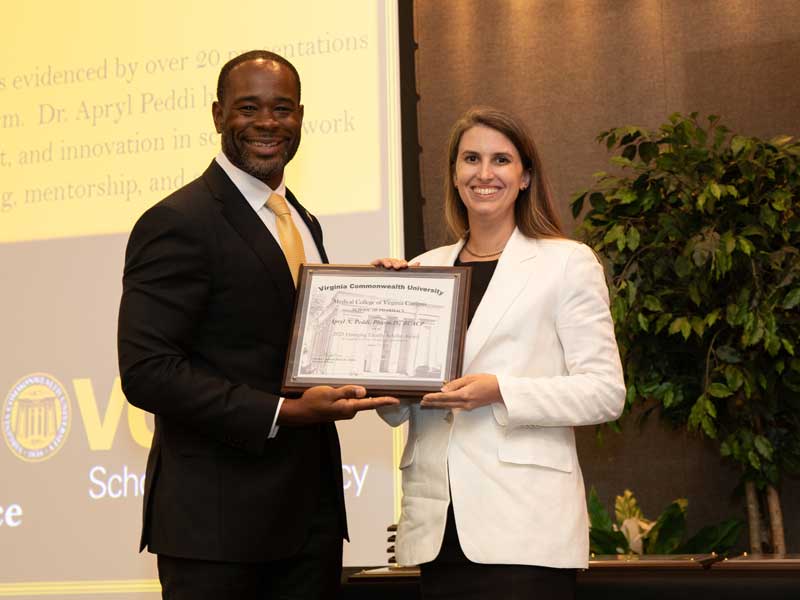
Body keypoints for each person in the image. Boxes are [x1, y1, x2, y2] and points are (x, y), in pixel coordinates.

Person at [117, 50, 398, 600]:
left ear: (300, 116)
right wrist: (284, 412)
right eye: (249, 108)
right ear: (218, 114)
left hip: (309, 523)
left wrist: (370, 298)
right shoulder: (178, 221)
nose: (268, 123)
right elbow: (148, 372)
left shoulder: (299, 217)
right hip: (217, 534)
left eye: (282, 109)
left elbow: (279, 332)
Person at [375, 106, 625, 599]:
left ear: (525, 175)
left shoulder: (566, 263)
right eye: (470, 158)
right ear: (453, 173)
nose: (484, 174)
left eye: (501, 160)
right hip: (438, 529)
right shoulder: (421, 271)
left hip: (524, 529)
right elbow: (397, 405)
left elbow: (605, 393)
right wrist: (379, 318)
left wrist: (499, 391)